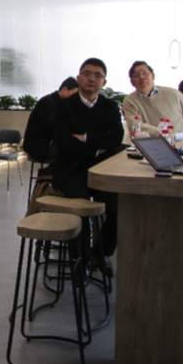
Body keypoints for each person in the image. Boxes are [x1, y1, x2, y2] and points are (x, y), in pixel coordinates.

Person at [52, 58, 124, 269]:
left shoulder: (110, 107)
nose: (92, 79)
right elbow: (64, 141)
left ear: (104, 82)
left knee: (120, 205)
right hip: (71, 170)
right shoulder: (64, 106)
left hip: (101, 171)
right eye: (87, 74)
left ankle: (100, 253)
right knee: (81, 207)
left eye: (97, 75)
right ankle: (80, 261)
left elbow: (116, 138)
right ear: (79, 78)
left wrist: (84, 137)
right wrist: (96, 149)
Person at [122, 61, 183, 141]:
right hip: (154, 144)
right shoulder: (130, 101)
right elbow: (134, 126)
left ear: (153, 76)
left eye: (144, 73)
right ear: (132, 82)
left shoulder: (172, 94)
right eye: (136, 75)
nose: (141, 77)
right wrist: (162, 132)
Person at [23, 76, 79, 164]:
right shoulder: (47, 102)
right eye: (74, 95)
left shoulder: (61, 104)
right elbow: (51, 127)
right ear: (65, 89)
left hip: (49, 143)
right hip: (39, 147)